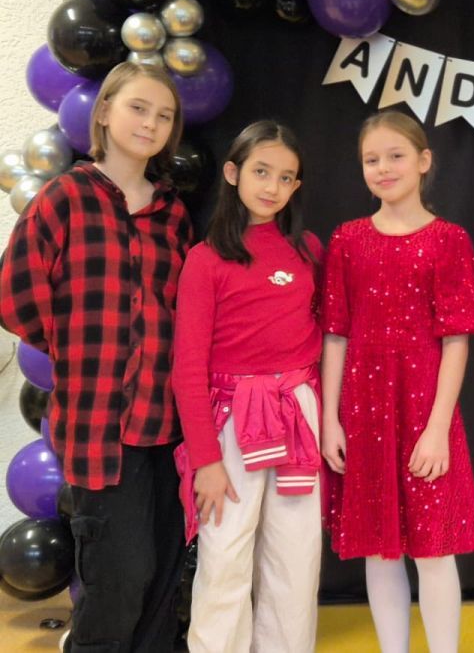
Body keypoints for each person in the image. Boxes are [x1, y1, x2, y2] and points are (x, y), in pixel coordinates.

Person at [0, 62, 191, 653]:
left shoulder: (173, 215)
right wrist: (82, 347)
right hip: (99, 429)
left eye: (164, 115)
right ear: (104, 111)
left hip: (168, 427)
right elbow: (15, 296)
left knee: (164, 581)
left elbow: (185, 314)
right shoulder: (64, 199)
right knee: (118, 579)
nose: (150, 123)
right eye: (138, 107)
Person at [321, 110, 474, 653]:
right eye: (371, 159)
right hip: (364, 412)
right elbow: (336, 335)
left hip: (425, 410)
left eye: (395, 156)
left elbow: (457, 340)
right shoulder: (347, 240)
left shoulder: (448, 239)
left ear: (423, 161)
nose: (383, 168)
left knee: (435, 549)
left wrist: (438, 428)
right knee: (378, 548)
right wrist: (330, 421)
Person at [171, 121, 323, 652]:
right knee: (225, 553)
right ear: (233, 173)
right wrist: (206, 460)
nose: (272, 186)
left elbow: (326, 338)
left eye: (285, 177)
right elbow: (187, 368)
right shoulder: (206, 260)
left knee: (296, 554)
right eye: (261, 171)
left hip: (298, 412)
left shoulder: (308, 251)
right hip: (231, 421)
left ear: (296, 186)